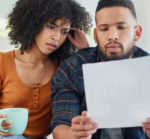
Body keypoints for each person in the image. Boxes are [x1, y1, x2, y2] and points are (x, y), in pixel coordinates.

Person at [50, 0, 150, 138]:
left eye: (121, 27)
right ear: (96, 36)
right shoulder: (72, 69)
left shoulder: (147, 70)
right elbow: (60, 127)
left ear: (137, 33)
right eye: (104, 29)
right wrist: (74, 135)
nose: (112, 36)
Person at [0, 0, 92, 138]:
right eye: (51, 26)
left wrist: (85, 50)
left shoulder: (64, 68)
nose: (56, 37)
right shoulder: (2, 62)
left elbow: (97, 91)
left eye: (64, 31)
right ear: (33, 23)